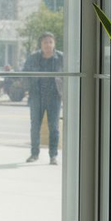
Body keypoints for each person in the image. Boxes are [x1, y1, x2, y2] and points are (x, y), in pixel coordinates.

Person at [23, 32, 63, 165]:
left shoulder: (61, 57)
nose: (48, 45)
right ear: (41, 44)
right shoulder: (33, 57)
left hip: (54, 96)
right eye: (45, 42)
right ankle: (34, 154)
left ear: (54, 43)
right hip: (36, 96)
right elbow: (24, 73)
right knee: (35, 126)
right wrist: (28, 89)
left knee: (54, 127)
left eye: (50, 42)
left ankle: (53, 155)